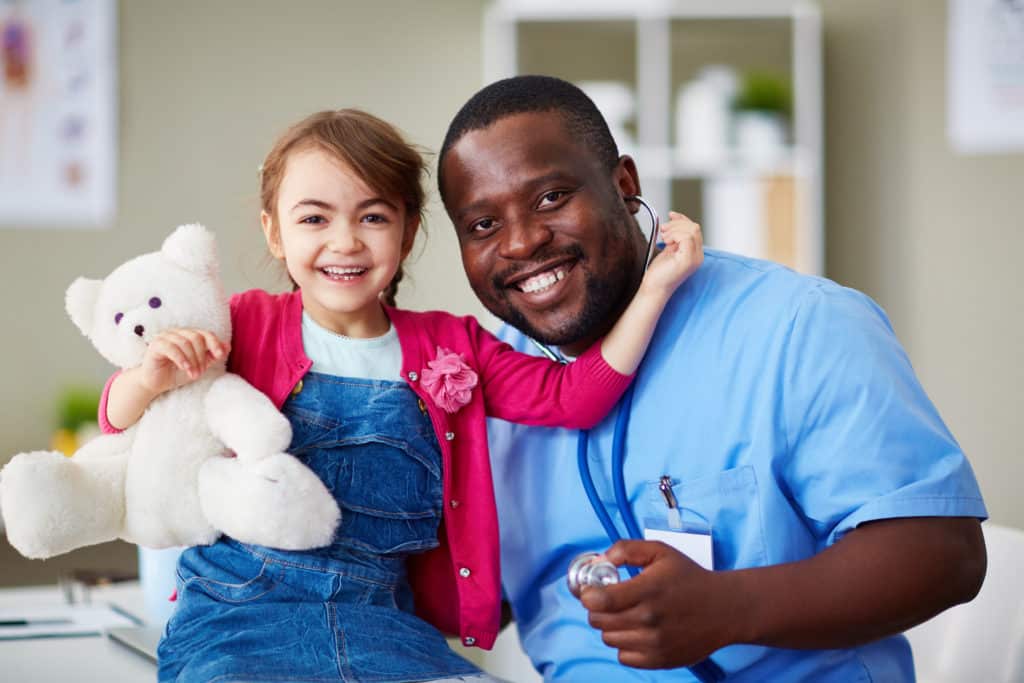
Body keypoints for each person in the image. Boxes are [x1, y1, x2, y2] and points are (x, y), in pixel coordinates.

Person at [99, 108, 703, 683]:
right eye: (314, 219)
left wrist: (653, 290)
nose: (345, 242)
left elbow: (574, 397)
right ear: (274, 232)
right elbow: (119, 423)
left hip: (385, 626)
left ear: (408, 231)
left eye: (372, 217)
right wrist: (151, 379)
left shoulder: (454, 344)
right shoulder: (242, 325)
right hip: (233, 623)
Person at [437, 75, 988, 682]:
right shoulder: (477, 387)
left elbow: (945, 555)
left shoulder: (798, 326)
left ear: (624, 186)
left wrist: (730, 608)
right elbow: (471, 596)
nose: (522, 242)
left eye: (551, 198)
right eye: (482, 225)